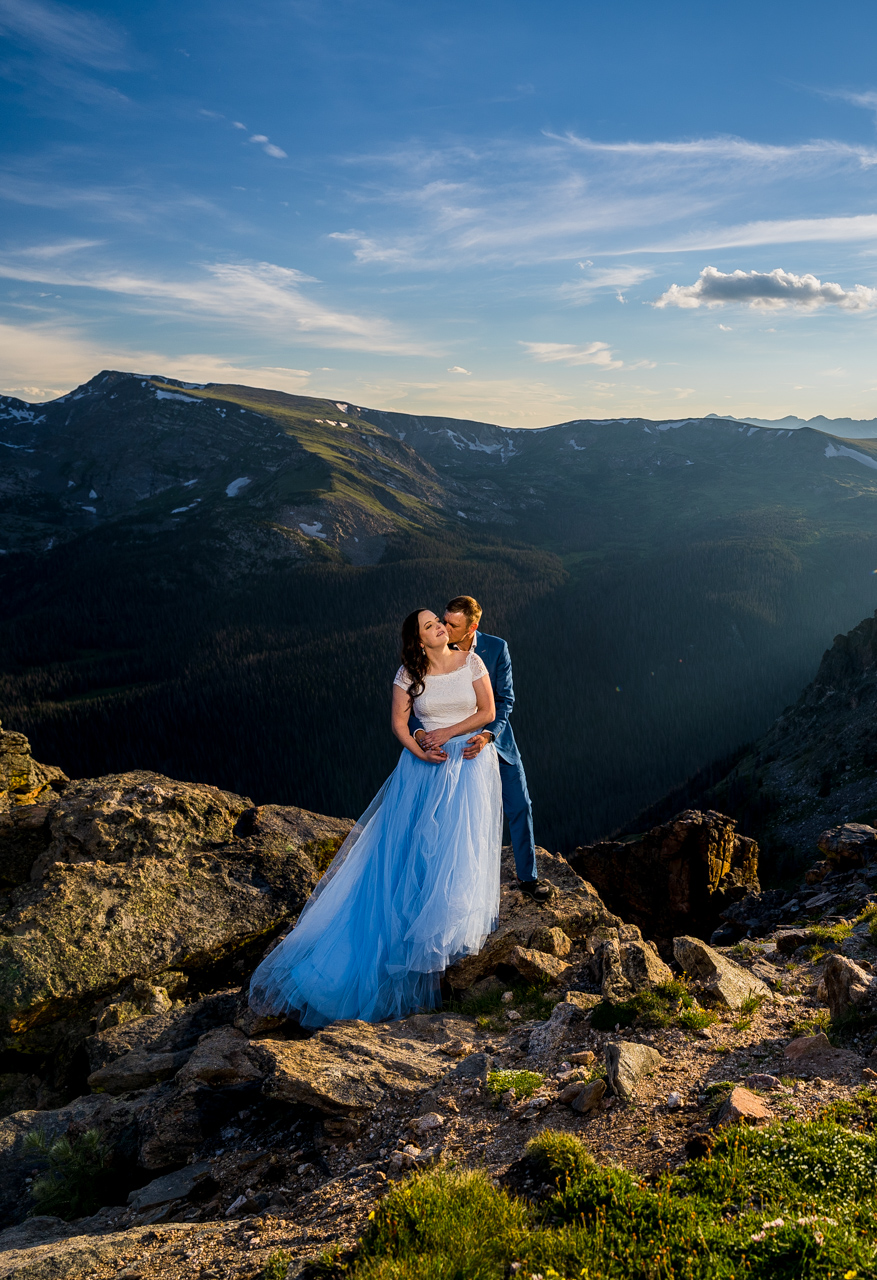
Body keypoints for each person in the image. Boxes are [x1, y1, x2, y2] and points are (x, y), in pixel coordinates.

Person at [248, 609, 503, 1029]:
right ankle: (394, 953)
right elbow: (399, 725)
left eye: (439, 621)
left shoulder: (471, 661)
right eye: (429, 626)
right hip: (424, 769)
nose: (439, 626)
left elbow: (487, 711)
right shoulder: (407, 674)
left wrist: (446, 733)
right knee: (410, 854)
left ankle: (440, 945)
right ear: (419, 641)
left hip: (469, 764)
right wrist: (421, 746)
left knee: (456, 850)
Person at [411, 595, 550, 903]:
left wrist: (488, 734)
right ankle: (442, 886)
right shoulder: (432, 652)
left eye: (453, 624)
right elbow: (412, 707)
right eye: (443, 620)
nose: (445, 627)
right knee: (446, 819)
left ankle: (528, 878)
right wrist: (420, 733)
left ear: (472, 626)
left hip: (494, 742)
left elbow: (505, 700)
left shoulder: (496, 648)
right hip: (451, 751)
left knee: (519, 806)